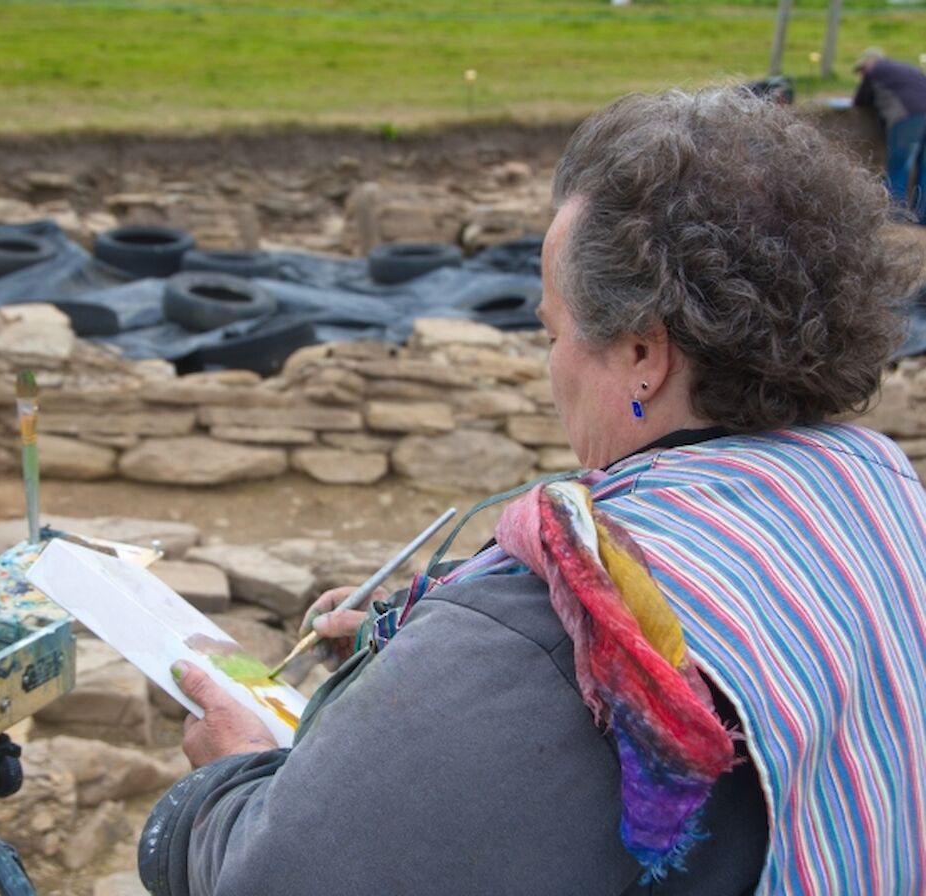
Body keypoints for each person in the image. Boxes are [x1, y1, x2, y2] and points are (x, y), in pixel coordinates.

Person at [137, 88, 926, 896]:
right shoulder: (879, 490)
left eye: (553, 333)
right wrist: (427, 649)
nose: (549, 365)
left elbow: (283, 879)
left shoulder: (563, 611)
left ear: (641, 355)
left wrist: (230, 782)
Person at [853, 47, 926, 223]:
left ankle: (894, 218)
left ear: (868, 63)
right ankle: (922, 219)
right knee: (924, 169)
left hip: (907, 117)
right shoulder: (909, 69)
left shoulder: (874, 70)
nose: (862, 75)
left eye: (862, 70)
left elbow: (860, 100)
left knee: (900, 166)